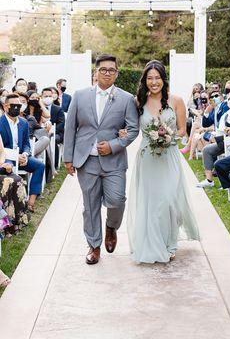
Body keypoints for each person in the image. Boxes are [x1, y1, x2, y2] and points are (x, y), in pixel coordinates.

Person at [63, 54, 139, 265]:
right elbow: (70, 128)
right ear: (95, 73)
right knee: (90, 205)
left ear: (117, 73)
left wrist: (114, 145)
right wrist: (68, 158)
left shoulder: (126, 98)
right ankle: (94, 245)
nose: (107, 73)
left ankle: (111, 227)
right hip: (86, 161)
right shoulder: (80, 96)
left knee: (116, 200)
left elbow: (133, 129)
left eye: (111, 70)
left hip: (114, 161)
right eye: (103, 69)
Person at [127, 60, 199, 264]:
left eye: (157, 77)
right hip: (147, 158)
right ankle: (151, 242)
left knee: (168, 200)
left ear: (163, 78)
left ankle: (169, 242)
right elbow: (131, 126)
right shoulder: (138, 102)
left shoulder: (176, 100)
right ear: (145, 80)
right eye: (149, 78)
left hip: (169, 156)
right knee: (150, 202)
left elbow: (183, 130)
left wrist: (167, 136)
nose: (153, 82)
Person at [0, 94, 45, 212]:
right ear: (6, 107)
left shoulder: (24, 123)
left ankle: (31, 202)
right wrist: (15, 156)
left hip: (22, 157)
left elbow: (26, 143)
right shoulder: (0, 122)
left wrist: (25, 154)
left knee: (40, 165)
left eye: (18, 106)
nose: (16, 108)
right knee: (6, 169)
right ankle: (11, 203)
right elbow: (1, 148)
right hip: (6, 158)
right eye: (13, 106)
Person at [197, 94, 230, 188]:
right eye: (212, 96)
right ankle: (209, 180)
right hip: (223, 140)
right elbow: (209, 125)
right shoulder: (225, 115)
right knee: (206, 150)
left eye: (216, 96)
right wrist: (206, 111)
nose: (213, 98)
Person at [0, 134, 29, 235]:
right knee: (8, 181)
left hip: (1, 167)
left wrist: (3, 163)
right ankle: (7, 224)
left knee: (18, 179)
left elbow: (2, 152)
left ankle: (18, 220)